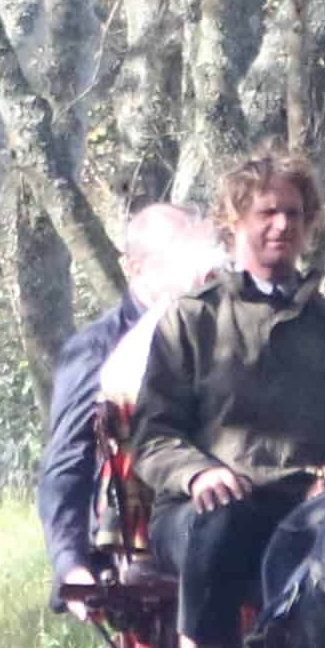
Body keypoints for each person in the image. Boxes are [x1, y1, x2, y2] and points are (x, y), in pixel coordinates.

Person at [125, 151, 325, 648]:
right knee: (221, 523)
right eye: (267, 212)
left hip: (311, 509)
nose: (282, 226)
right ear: (235, 222)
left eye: (294, 214)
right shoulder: (190, 321)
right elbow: (154, 434)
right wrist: (198, 473)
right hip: (205, 512)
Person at [33, 200, 222, 592]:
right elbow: (67, 459)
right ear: (134, 267)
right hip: (136, 545)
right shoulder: (97, 351)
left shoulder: (222, 328)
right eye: (176, 253)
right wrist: (70, 565)